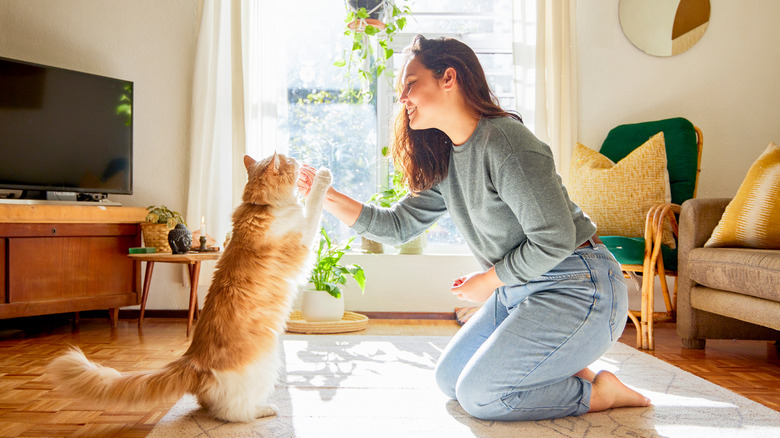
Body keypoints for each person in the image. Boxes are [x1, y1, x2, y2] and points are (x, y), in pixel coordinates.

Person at [297, 34, 650, 421]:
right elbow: (396, 227)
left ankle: (602, 391)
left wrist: (489, 280)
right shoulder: (446, 158)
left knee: (482, 396)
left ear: (448, 78)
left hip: (580, 287)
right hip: (521, 292)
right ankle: (564, 363)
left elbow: (555, 239)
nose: (402, 99)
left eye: (410, 85)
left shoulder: (506, 143)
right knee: (450, 381)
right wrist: (324, 195)